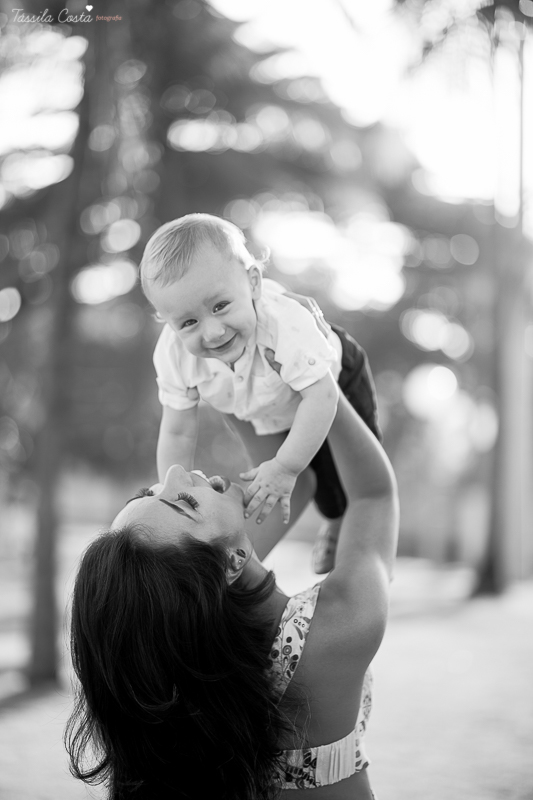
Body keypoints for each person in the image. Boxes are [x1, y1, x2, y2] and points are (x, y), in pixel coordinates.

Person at [66, 391, 398, 799]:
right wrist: (320, 375)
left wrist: (227, 378)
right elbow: (373, 495)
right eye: (185, 502)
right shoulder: (338, 627)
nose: (174, 472)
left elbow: (301, 479)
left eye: (149, 493)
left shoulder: (203, 636)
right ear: (233, 562)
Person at [140, 213, 381, 573]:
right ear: (166, 320)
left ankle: (339, 517)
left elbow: (322, 398)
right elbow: (177, 429)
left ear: (253, 283)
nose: (212, 332)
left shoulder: (284, 324)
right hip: (263, 403)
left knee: (340, 473)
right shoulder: (174, 355)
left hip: (329, 382)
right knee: (289, 483)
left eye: (220, 306)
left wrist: (284, 467)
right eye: (188, 322)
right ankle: (330, 510)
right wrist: (172, 492)